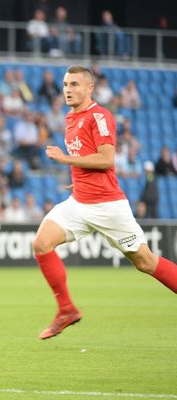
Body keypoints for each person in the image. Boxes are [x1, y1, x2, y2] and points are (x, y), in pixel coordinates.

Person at [32, 65, 177, 340]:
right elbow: (87, 158)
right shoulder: (70, 118)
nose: (68, 90)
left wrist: (66, 160)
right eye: (65, 84)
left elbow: (106, 159)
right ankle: (66, 310)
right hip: (79, 202)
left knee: (145, 262)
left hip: (108, 206)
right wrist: (78, 178)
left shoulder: (100, 116)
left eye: (74, 84)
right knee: (41, 243)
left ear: (90, 88)